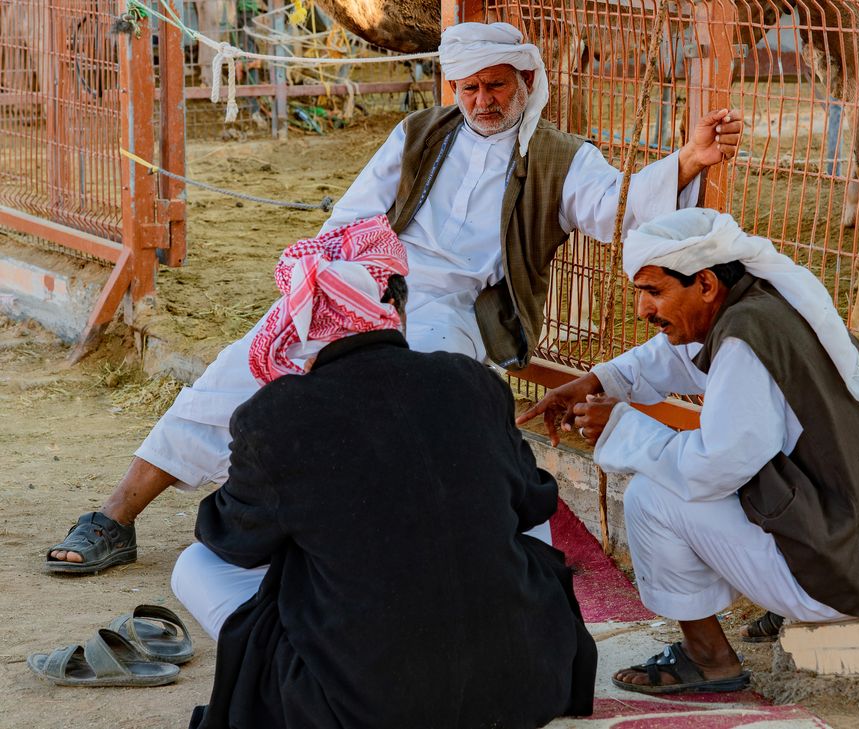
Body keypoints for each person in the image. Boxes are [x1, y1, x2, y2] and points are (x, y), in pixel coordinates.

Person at [45, 20, 744, 572]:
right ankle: (117, 514)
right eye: (467, 88)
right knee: (244, 366)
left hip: (460, 306)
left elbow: (618, 208)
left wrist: (686, 160)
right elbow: (350, 219)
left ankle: (423, 555)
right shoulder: (419, 134)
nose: (481, 102)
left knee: (428, 403)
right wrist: (339, 281)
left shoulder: (563, 157)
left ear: (526, 80)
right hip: (373, 283)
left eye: (495, 86)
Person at [179, 217, 597, 728]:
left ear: (302, 319)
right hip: (527, 688)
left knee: (196, 566)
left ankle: (294, 673)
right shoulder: (470, 380)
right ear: (396, 307)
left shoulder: (274, 415)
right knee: (522, 518)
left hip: (365, 710)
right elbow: (533, 502)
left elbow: (230, 540)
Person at [517, 207, 859, 694]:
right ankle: (775, 604)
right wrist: (595, 380)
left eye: (653, 292)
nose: (642, 310)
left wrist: (621, 426)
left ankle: (708, 658)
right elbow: (674, 354)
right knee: (708, 472)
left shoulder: (744, 339)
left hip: (851, 579)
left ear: (704, 284)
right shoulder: (771, 305)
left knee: (651, 499)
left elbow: (711, 470)